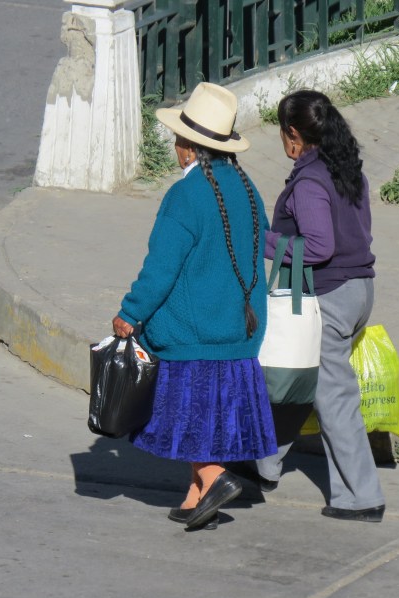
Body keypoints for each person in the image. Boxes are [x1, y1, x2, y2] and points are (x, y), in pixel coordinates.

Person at [112, 82, 276, 531]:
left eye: (178, 139)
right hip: (238, 330)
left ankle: (213, 476)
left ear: (187, 147)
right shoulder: (245, 187)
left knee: (187, 418)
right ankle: (196, 494)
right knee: (212, 421)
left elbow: (160, 268)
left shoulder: (185, 195)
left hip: (191, 332)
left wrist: (131, 313)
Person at [243, 89, 386, 522]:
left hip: (328, 295)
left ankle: (361, 497)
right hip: (358, 289)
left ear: (293, 135)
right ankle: (262, 465)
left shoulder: (307, 183)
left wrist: (259, 240)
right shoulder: (346, 168)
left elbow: (319, 246)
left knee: (333, 396)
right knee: (298, 378)